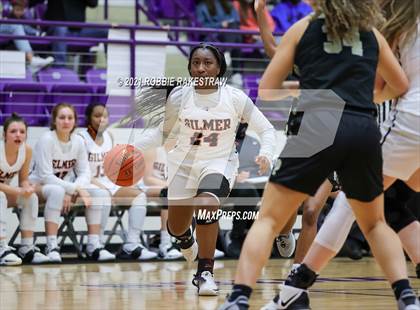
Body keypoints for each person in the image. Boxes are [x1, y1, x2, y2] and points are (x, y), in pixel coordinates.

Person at [220, 0, 420, 309]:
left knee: (269, 219)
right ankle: (407, 298)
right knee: (376, 224)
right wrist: (366, 96)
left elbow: (267, 90)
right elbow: (400, 85)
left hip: (317, 121)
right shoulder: (371, 33)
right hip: (362, 126)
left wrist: (301, 89)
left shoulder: (303, 28)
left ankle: (238, 299)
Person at [135, 43, 276, 295]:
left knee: (206, 203)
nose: (201, 68)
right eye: (196, 63)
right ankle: (186, 240)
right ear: (189, 67)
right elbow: (163, 133)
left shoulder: (235, 97)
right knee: (177, 227)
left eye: (207, 63)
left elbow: (266, 129)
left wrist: (266, 153)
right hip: (183, 164)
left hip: (219, 162)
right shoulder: (179, 96)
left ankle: (205, 273)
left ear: (219, 68)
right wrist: (132, 148)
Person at [29, 103, 114, 262]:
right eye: (62, 118)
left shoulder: (78, 141)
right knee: (57, 191)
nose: (66, 121)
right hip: (37, 185)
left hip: (65, 187)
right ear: (54, 121)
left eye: (70, 118)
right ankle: (51, 246)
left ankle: (93, 245)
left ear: (75, 121)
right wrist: (75, 189)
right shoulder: (46, 140)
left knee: (99, 193)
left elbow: (85, 173)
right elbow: (46, 176)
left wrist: (72, 189)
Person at [79, 102, 157, 260]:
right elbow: (80, 171)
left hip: (107, 184)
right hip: (87, 184)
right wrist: (101, 184)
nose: (102, 119)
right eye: (97, 116)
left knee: (139, 195)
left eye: (105, 116)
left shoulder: (110, 136)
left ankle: (131, 245)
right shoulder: (81, 138)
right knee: (103, 195)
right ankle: (96, 245)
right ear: (88, 118)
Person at [0, 113, 50, 265]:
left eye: (22, 132)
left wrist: (28, 188)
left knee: (31, 197)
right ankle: (2, 248)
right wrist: (18, 191)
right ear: (4, 135)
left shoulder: (27, 151)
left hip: (5, 192)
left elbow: (23, 180)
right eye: (13, 131)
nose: (18, 135)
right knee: (0, 196)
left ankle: (26, 247)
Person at [31, 0, 108, 66]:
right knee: (61, 28)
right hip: (56, 30)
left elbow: (93, 4)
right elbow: (33, 2)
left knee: (106, 31)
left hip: (79, 30)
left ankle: (113, 71)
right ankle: (60, 69)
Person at [142, 144, 183, 260]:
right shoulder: (153, 150)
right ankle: (165, 245)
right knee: (168, 194)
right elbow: (147, 179)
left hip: (168, 191)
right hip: (148, 189)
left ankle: (161, 239)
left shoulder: (180, 152)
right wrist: (169, 185)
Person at [195, 0, 244, 86]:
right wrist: (220, 25)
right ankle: (236, 72)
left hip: (230, 33)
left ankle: (228, 53)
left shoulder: (228, 4)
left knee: (234, 30)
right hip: (213, 36)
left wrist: (228, 24)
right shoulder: (201, 7)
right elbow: (202, 27)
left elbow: (236, 20)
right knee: (236, 36)